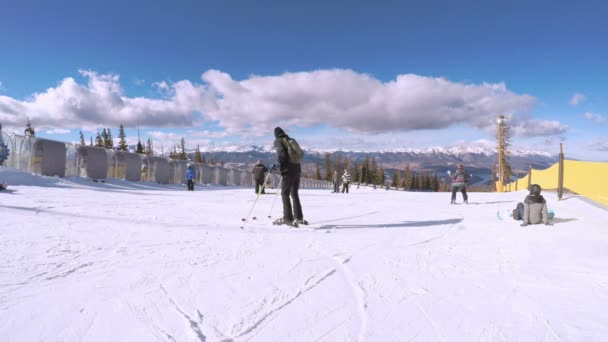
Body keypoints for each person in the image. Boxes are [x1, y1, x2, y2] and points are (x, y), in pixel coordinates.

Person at [273, 126, 306, 226]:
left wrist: (277, 164)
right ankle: (299, 217)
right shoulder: (290, 140)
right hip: (297, 168)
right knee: (294, 193)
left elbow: (282, 156)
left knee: (285, 193)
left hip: (288, 170)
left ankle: (288, 218)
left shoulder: (278, 141)